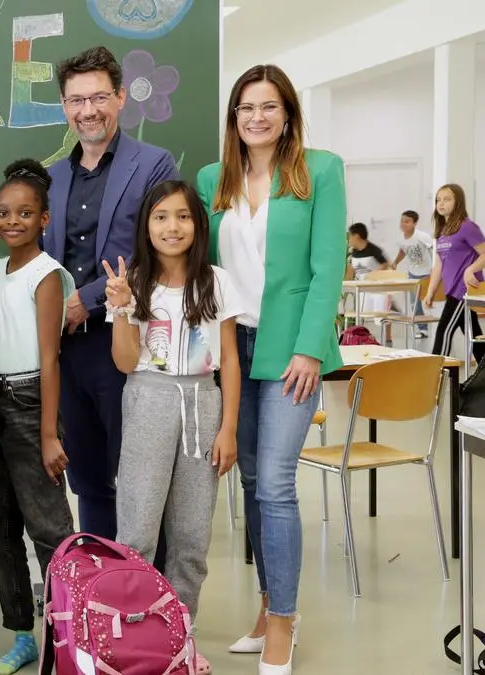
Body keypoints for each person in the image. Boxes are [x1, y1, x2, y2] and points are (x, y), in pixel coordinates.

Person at [197, 64, 346, 675]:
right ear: (233, 118)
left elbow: (326, 265)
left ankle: (284, 621)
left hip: (292, 351)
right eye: (246, 108)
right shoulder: (214, 179)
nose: (257, 117)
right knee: (252, 482)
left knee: (278, 484)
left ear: (288, 114)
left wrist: (311, 348)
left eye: (269, 106)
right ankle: (266, 607)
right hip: (234, 346)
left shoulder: (322, 170)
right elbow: (200, 266)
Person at [105, 181, 242, 675]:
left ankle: (181, 636)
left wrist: (228, 428)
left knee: (191, 535)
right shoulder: (134, 282)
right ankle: (134, 637)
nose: (172, 226)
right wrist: (121, 307)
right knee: (138, 530)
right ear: (146, 225)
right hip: (148, 399)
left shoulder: (217, 282)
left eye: (182, 216)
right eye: (161, 216)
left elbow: (228, 359)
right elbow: (124, 362)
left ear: (197, 225)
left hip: (202, 404)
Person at [44, 46, 180, 542]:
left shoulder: (153, 164)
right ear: (64, 105)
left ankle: (153, 601)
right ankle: (103, 595)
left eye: (99, 96)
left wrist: (88, 299)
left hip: (128, 343)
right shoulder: (53, 178)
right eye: (76, 100)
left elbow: (160, 248)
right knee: (89, 480)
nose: (88, 110)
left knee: (142, 479)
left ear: (121, 98)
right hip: (68, 349)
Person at [0, 159, 75, 675]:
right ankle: (21, 632)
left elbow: (51, 357)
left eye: (25, 213)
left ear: (44, 219)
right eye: (4, 212)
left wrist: (50, 433)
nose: (13, 221)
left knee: (48, 526)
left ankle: (67, 634)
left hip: (33, 402)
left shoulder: (47, 273)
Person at [425, 183, 485, 361]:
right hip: (452, 289)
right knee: (473, 330)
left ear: (458, 202)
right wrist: (430, 291)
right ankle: (482, 373)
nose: (441, 203)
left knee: (444, 330)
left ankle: (433, 374)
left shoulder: (467, 227)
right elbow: (439, 265)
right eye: (438, 200)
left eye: (447, 199)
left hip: (463, 290)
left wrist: (471, 269)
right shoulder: (443, 231)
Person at [346, 222, 392, 342]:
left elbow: (386, 264)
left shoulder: (373, 250)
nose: (349, 239)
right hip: (362, 289)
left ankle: (387, 340)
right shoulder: (354, 252)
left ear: (357, 236)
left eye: (350, 236)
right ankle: (363, 339)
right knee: (361, 315)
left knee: (381, 317)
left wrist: (373, 274)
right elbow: (352, 269)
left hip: (378, 290)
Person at [393, 209, 434, 337]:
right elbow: (403, 251)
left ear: (415, 223)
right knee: (414, 303)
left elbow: (434, 251)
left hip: (427, 273)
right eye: (402, 221)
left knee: (430, 300)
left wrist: (435, 269)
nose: (403, 224)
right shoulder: (400, 238)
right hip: (412, 274)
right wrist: (395, 263)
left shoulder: (422, 236)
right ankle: (423, 330)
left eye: (407, 221)